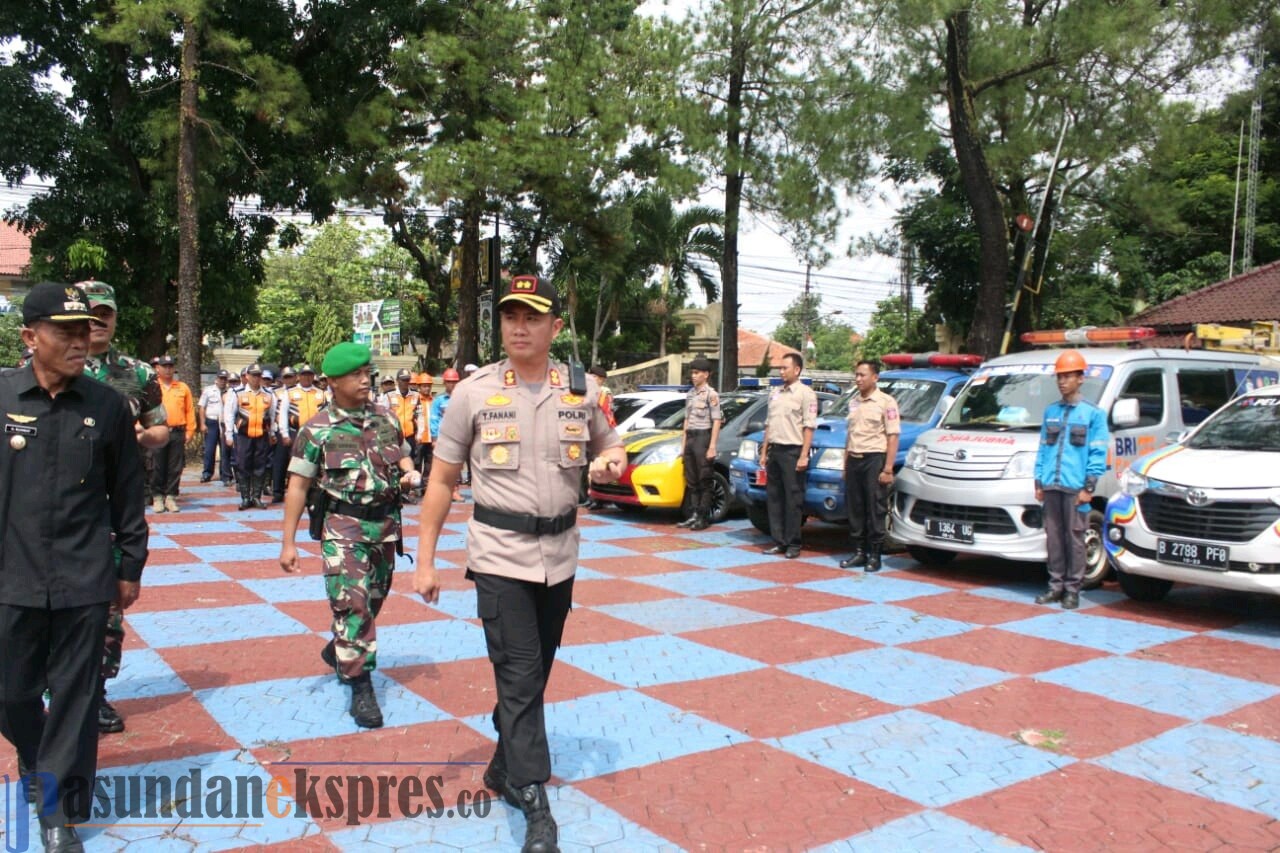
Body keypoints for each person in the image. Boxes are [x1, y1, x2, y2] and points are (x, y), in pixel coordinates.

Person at [415, 275, 625, 853]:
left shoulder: (580, 391)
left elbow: (612, 445)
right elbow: (441, 479)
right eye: (510, 316)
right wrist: (426, 560)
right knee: (520, 673)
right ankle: (534, 802)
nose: (519, 327)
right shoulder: (474, 393)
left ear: (555, 327)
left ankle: (504, 761)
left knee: (534, 673)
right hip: (498, 555)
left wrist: (610, 463)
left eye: (532, 317)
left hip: (561, 557)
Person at [0, 282, 148, 853]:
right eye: (65, 331)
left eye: (84, 330)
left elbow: (126, 493)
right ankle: (36, 756)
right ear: (30, 336)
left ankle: (59, 812)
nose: (80, 341)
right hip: (11, 574)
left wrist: (130, 564)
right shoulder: (2, 396)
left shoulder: (106, 405)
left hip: (84, 574)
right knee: (12, 694)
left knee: (76, 694)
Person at [278, 342, 420, 729]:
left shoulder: (386, 418)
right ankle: (360, 685)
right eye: (355, 375)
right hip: (342, 529)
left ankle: (341, 648)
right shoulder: (317, 429)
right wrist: (288, 542)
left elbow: (403, 453)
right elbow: (296, 487)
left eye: (367, 373)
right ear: (333, 382)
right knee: (354, 606)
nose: (364, 380)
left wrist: (409, 472)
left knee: (373, 601)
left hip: (386, 528)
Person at [78, 280, 169, 735]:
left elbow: (161, 430)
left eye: (105, 315)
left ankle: (95, 693)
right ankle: (59, 692)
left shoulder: (137, 374)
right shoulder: (43, 366)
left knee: (111, 605)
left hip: (116, 504)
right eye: (89, 315)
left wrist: (138, 438)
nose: (97, 323)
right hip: (62, 503)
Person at [1033, 349, 1109, 610]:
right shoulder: (1050, 411)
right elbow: (1043, 447)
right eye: (1060, 377)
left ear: (1081, 378)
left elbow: (1098, 453)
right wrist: (1038, 481)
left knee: (1075, 539)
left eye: (1068, 376)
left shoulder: (1093, 415)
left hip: (1076, 488)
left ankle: (1072, 589)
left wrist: (1089, 487)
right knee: (1053, 538)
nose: (1062, 381)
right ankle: (1055, 587)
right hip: (1051, 485)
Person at [839, 359, 900, 572]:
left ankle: (875, 555)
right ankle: (858, 552)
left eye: (862, 375)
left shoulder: (886, 402)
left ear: (875, 377)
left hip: (874, 459)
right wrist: (846, 465)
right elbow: (850, 434)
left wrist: (888, 468)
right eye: (856, 375)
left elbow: (893, 436)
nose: (858, 379)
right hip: (854, 459)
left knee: (875, 508)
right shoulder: (853, 402)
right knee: (855, 508)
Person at [759, 353, 818, 559]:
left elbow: (809, 426)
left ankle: (793, 543)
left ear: (797, 370)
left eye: (785, 368)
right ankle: (779, 541)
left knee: (793, 500)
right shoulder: (775, 393)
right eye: (780, 368)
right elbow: (769, 424)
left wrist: (804, 455)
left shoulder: (806, 394)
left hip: (793, 451)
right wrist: (765, 451)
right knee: (774, 498)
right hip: (775, 450)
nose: (781, 371)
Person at [676, 356, 722, 530]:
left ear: (706, 375)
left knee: (704, 479)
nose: (693, 376)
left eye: (697, 373)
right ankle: (694, 514)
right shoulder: (690, 393)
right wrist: (683, 444)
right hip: (691, 438)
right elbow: (687, 420)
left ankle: (703, 517)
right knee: (691, 479)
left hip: (703, 437)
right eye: (692, 373)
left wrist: (712, 446)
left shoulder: (711, 395)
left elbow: (717, 420)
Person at [225, 363, 274, 510]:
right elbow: (229, 414)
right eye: (253, 375)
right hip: (243, 435)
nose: (256, 378)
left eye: (258, 375)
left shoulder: (269, 394)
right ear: (247, 376)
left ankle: (257, 497)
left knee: (260, 466)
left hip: (261, 435)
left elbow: (271, 415)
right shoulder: (236, 392)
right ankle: (245, 498)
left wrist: (272, 433)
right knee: (243, 465)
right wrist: (228, 434)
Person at [150, 355, 196, 513]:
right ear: (157, 368)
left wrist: (190, 431)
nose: (168, 369)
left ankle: (170, 496)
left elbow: (190, 410)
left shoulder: (182, 387)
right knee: (157, 465)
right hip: (157, 431)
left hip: (177, 432)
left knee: (175, 467)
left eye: (170, 366)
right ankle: (157, 496)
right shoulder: (153, 386)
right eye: (165, 366)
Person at [430, 367, 463, 501]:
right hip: (443, 437)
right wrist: (434, 438)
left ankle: (455, 490)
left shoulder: (462, 398)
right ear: (444, 383)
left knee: (458, 464)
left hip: (459, 436)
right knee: (442, 464)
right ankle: (442, 491)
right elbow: (434, 419)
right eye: (449, 382)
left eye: (454, 382)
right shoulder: (439, 400)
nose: (452, 384)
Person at [268, 367, 296, 503]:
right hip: (280, 430)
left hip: (295, 430)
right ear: (281, 379)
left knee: (296, 463)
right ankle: (277, 491)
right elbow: (272, 412)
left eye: (291, 376)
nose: (288, 379)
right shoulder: (276, 392)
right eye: (286, 377)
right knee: (279, 462)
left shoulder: (298, 391)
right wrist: (272, 431)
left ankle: (294, 491)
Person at [199, 370, 231, 484]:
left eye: (224, 379)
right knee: (209, 449)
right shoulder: (208, 390)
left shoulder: (230, 392)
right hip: (211, 421)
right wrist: (202, 423)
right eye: (221, 378)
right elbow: (202, 407)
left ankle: (225, 475)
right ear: (216, 379)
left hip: (224, 423)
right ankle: (207, 473)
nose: (223, 381)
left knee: (225, 450)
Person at [385, 368, 421, 463]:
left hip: (410, 436)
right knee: (395, 462)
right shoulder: (389, 395)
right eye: (403, 380)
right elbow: (384, 416)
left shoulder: (416, 395)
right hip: (395, 436)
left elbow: (419, 415)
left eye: (407, 380)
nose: (406, 382)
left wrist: (419, 432)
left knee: (410, 462)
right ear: (397, 381)